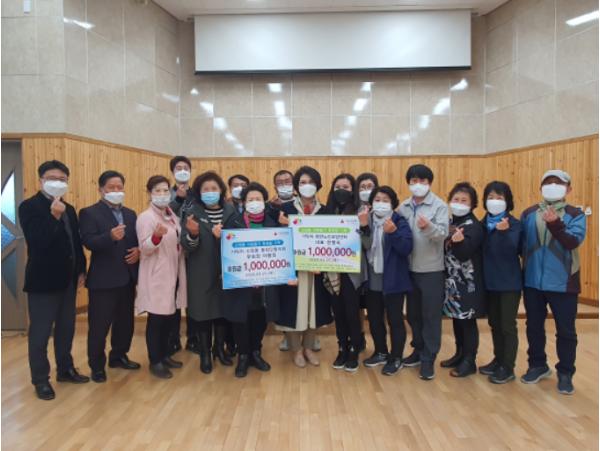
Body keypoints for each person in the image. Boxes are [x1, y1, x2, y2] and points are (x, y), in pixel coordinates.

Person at [19, 160, 89, 400]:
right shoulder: (29, 207)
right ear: (41, 180)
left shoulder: (69, 208)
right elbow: (37, 241)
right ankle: (40, 379)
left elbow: (75, 242)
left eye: (62, 179)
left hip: (68, 280)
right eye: (52, 178)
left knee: (66, 328)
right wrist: (53, 216)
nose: (57, 182)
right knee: (40, 333)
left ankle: (65, 369)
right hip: (43, 282)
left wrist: (81, 269)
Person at [520, 170, 586, 395]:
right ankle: (537, 365)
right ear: (540, 188)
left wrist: (556, 224)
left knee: (566, 331)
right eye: (548, 182)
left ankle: (565, 373)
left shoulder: (575, 214)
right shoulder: (529, 213)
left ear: (568, 189)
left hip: (563, 283)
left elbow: (572, 241)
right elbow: (520, 245)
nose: (553, 186)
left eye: (558, 183)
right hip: (532, 282)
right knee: (533, 327)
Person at [79, 170, 141, 383]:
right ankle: (97, 365)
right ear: (101, 190)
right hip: (103, 280)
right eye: (111, 187)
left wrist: (139, 251)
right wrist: (109, 236)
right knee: (99, 326)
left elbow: (135, 241)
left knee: (125, 323)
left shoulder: (131, 214)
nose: (116, 191)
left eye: (119, 187)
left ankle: (119, 356)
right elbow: (88, 242)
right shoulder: (89, 213)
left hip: (127, 277)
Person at [223, 182, 286, 377]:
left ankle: (255, 352)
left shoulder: (272, 223)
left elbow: (281, 251)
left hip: (264, 284)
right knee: (241, 320)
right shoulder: (233, 222)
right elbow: (225, 251)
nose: (254, 202)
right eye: (250, 199)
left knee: (260, 319)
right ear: (243, 202)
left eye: (258, 199)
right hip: (241, 283)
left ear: (264, 201)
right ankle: (243, 355)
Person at [180, 171, 240, 374]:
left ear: (221, 191)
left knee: (222, 312)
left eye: (214, 188)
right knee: (203, 313)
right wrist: (193, 234)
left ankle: (219, 349)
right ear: (199, 192)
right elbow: (186, 245)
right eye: (205, 189)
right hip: (200, 271)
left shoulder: (231, 210)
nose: (210, 192)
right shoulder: (192, 212)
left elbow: (239, 239)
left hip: (226, 270)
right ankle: (205, 353)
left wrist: (223, 237)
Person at [277, 166, 333, 368]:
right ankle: (296, 350)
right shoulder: (284, 210)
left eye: (311, 182)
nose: (306, 186)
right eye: (302, 182)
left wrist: (324, 265)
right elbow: (275, 241)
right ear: (296, 186)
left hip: (316, 270)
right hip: (292, 270)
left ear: (318, 185)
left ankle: (308, 347)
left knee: (313, 309)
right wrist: (283, 227)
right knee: (293, 309)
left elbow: (331, 243)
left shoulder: (325, 211)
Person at [398, 164, 449, 380]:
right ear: (409, 183)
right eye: (414, 181)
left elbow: (443, 235)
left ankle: (429, 358)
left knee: (431, 316)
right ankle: (418, 350)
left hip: (431, 270)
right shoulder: (403, 206)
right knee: (413, 314)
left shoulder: (439, 206)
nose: (418, 184)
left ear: (430, 183)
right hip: (408, 269)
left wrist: (428, 227)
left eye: (423, 181)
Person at [136, 175, 187, 379]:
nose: (162, 194)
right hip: (157, 275)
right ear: (149, 193)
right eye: (157, 190)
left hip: (173, 273)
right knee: (157, 319)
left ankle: (165, 354)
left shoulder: (171, 215)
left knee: (169, 318)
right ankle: (155, 360)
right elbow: (144, 248)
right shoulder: (146, 218)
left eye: (166, 190)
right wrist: (156, 237)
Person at [360, 186, 413, 375]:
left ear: (393, 203)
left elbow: (406, 248)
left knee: (395, 319)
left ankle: (396, 357)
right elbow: (365, 246)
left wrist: (393, 232)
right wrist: (364, 226)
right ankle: (381, 351)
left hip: (394, 279)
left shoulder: (399, 221)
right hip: (373, 277)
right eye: (377, 199)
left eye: (385, 200)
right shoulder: (366, 219)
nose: (380, 203)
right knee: (374, 318)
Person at [478, 181, 522, 384]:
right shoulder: (482, 224)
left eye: (499, 197)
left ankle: (508, 366)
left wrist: (504, 233)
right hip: (489, 282)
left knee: (507, 325)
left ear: (507, 201)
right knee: (494, 323)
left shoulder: (514, 224)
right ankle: (498, 359)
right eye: (491, 197)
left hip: (509, 283)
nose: (494, 201)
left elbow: (515, 249)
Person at [440, 182, 485, 378]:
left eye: (464, 200)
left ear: (473, 204)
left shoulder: (474, 226)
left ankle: (469, 360)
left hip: (468, 283)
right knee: (456, 319)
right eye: (456, 199)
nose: (459, 203)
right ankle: (459, 354)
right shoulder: (452, 223)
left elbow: (464, 253)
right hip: (452, 282)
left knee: (467, 322)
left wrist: (459, 243)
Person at [324, 173, 366, 372]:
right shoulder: (327, 212)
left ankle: (354, 348)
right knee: (338, 312)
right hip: (332, 271)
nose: (341, 190)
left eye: (346, 187)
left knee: (352, 313)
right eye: (338, 186)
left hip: (351, 272)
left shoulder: (360, 211)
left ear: (353, 190)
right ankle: (342, 347)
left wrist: (364, 226)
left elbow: (367, 242)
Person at [167, 156, 199, 355]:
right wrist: (178, 199)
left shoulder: (197, 194)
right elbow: (164, 215)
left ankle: (193, 338)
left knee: (193, 296)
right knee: (173, 296)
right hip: (172, 253)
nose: (182, 171)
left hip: (193, 251)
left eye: (185, 167)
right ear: (172, 172)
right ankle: (173, 338)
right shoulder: (166, 193)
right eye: (178, 168)